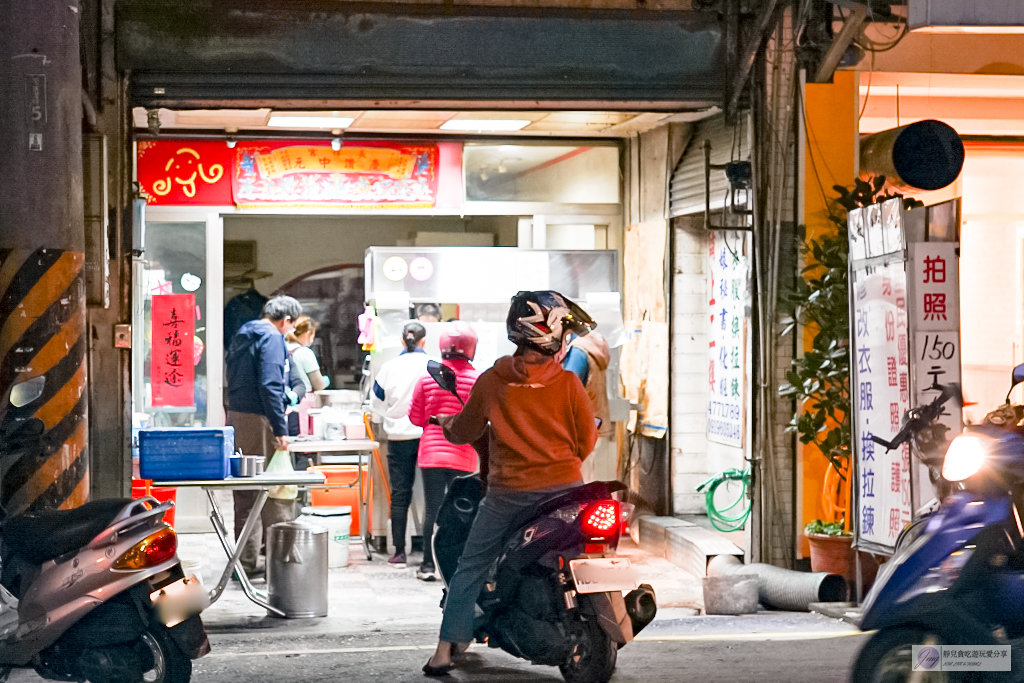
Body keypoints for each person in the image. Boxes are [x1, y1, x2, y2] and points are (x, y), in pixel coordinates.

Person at [423, 291, 598, 676]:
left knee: (470, 566)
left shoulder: (492, 382)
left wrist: (448, 424)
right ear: (549, 335)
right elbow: (586, 441)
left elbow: (465, 429)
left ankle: (443, 651)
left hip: (508, 496)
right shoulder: (568, 384)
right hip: (566, 492)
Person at [225, 295, 302, 577]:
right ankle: (269, 564)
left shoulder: (244, 333)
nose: (288, 331)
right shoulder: (271, 337)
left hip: (238, 417)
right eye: (290, 326)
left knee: (246, 492)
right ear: (286, 320)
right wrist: (281, 429)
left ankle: (245, 562)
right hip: (259, 420)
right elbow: (271, 385)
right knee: (270, 492)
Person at [408, 322, 481, 582]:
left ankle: (427, 565)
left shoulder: (428, 377)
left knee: (433, 510)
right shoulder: (476, 379)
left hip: (431, 454)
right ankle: (460, 564)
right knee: (463, 511)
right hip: (464, 454)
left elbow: (415, 417)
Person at [370, 322, 430, 568]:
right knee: (432, 496)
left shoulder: (388, 367)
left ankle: (398, 553)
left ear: (401, 340)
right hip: (429, 436)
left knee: (400, 494)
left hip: (398, 438)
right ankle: (429, 555)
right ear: (424, 341)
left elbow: (376, 405)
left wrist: (384, 419)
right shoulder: (433, 365)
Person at [562, 330, 614, 482]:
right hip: (597, 426)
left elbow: (566, 390)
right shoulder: (593, 347)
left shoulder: (578, 351)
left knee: (580, 486)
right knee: (592, 480)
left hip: (582, 431)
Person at [285, 316, 329, 438]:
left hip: (285, 409)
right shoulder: (305, 352)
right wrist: (325, 381)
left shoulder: (282, 349)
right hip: (302, 409)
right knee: (304, 449)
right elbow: (319, 385)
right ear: (308, 334)